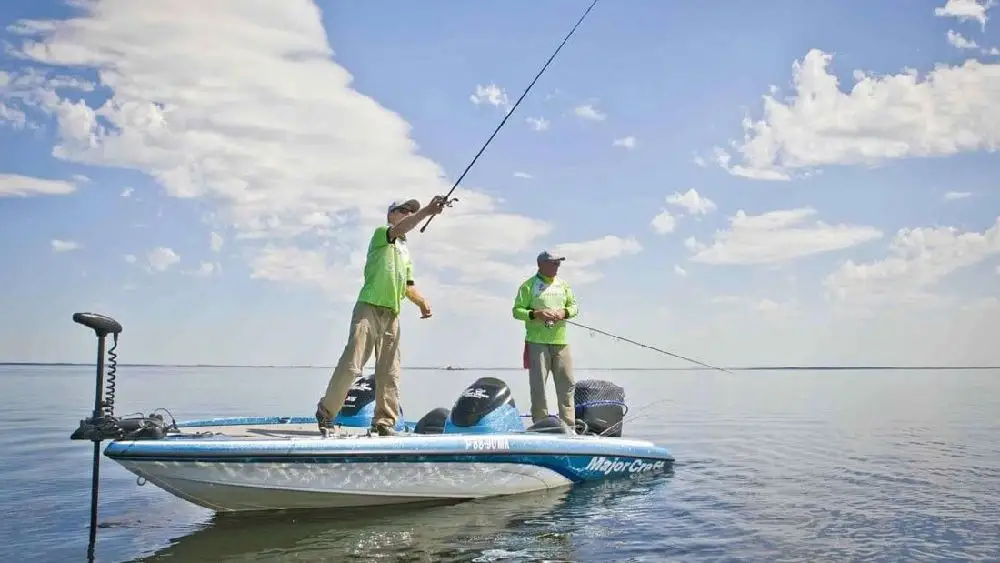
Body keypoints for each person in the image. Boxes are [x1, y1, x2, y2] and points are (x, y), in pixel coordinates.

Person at [316, 195, 447, 437]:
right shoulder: (382, 234)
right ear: (391, 215)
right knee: (353, 365)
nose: (407, 213)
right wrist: (427, 211)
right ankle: (326, 413)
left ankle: (384, 423)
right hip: (369, 308)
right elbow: (403, 228)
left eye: (411, 211)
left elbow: (408, 286)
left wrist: (421, 302)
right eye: (402, 210)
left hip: (392, 314)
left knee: (390, 371)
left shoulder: (405, 252)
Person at [511, 250, 579, 429]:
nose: (557, 267)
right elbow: (517, 311)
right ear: (541, 265)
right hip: (536, 342)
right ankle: (541, 424)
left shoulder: (563, 285)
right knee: (538, 385)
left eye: (558, 264)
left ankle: (569, 426)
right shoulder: (528, 285)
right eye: (553, 263)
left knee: (567, 384)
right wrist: (536, 314)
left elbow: (574, 307)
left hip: (561, 341)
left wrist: (564, 312)